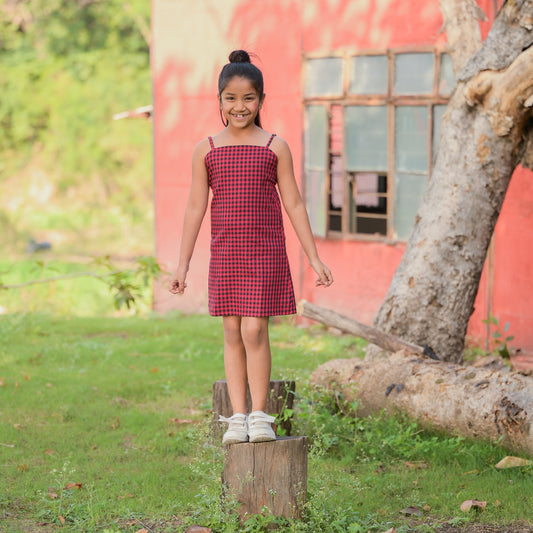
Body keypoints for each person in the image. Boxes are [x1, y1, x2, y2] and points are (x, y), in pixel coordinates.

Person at [169, 50, 333, 445]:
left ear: (260, 101)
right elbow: (195, 208)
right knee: (231, 331)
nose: (239, 106)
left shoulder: (275, 147)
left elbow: (294, 203)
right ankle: (237, 416)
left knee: (256, 330)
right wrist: (182, 266)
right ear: (220, 101)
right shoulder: (206, 149)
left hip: (265, 252)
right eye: (231, 98)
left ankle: (261, 415)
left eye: (248, 98)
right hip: (226, 253)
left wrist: (313, 257)